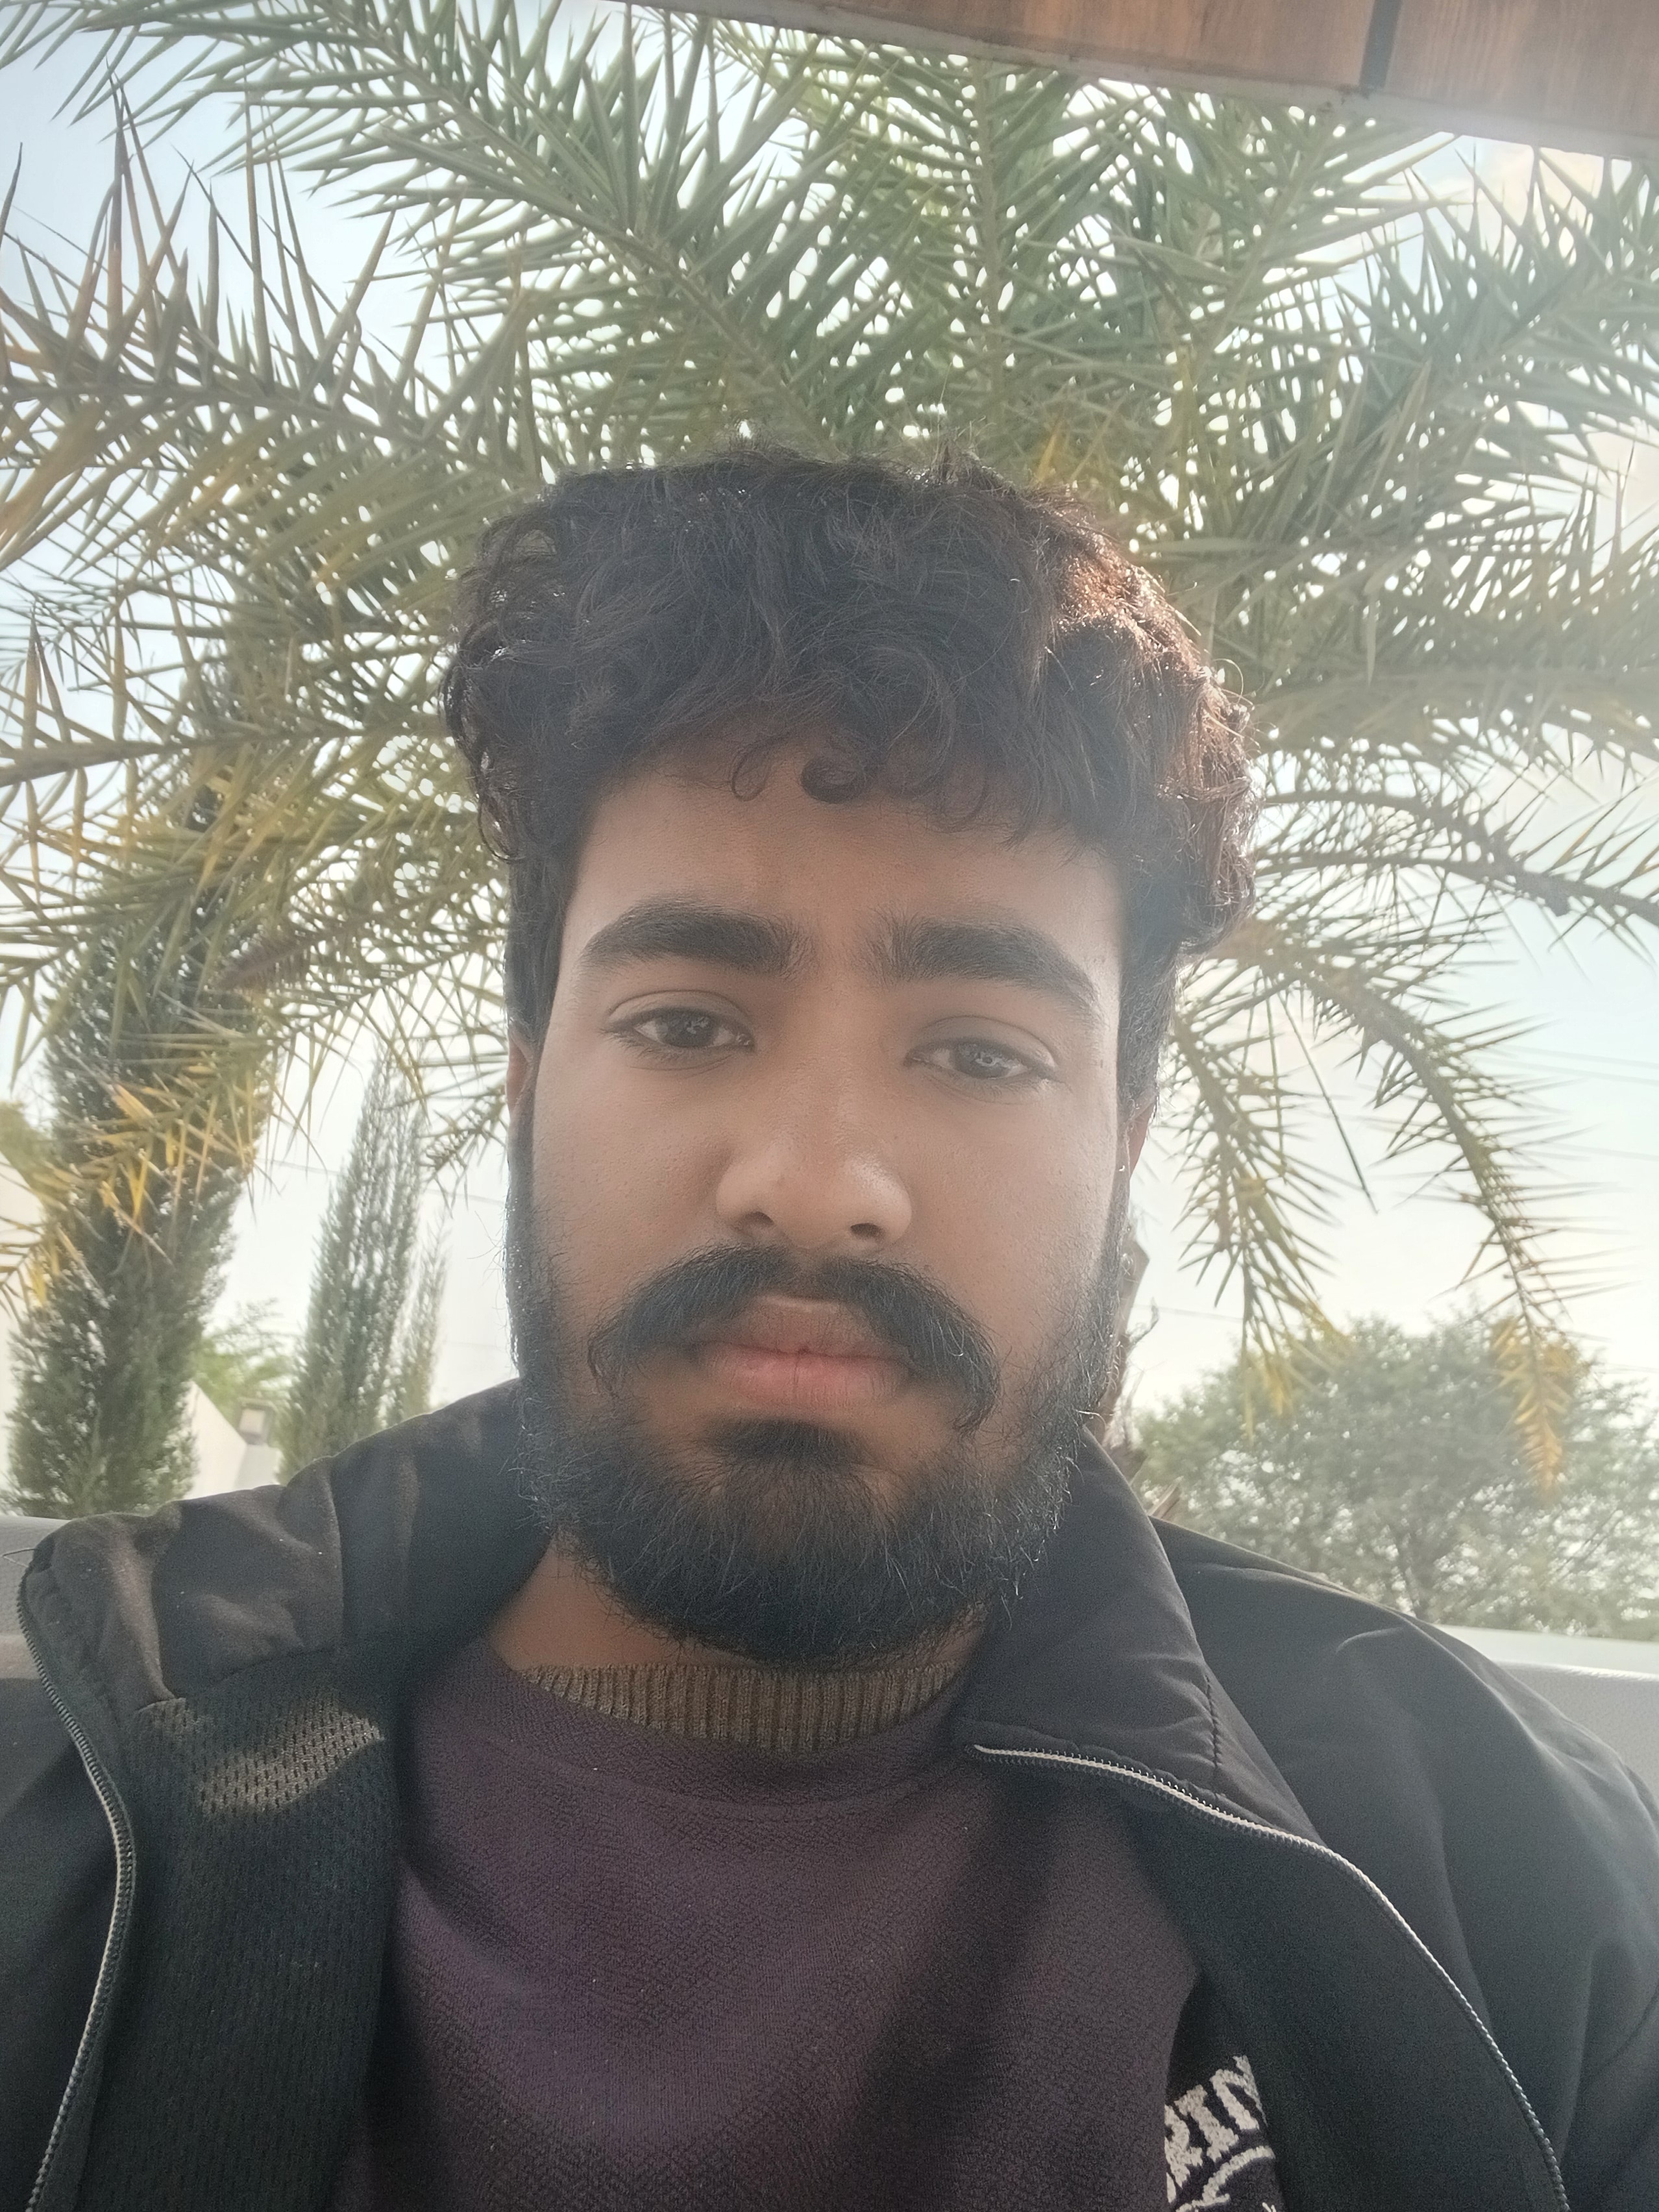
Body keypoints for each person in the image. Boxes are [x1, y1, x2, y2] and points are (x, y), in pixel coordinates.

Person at [3, 449, 1656, 2212]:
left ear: (1123, 1137)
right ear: (529, 1084)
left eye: (979, 1052)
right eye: (686, 1022)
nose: (811, 1184)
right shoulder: (65, 1863)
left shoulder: (1501, 1876)